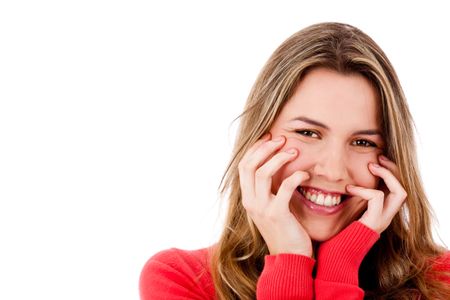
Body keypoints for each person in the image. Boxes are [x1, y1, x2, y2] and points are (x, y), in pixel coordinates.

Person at [139, 22, 450, 299]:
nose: (332, 170)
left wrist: (340, 264)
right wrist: (290, 261)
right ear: (260, 138)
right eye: (308, 133)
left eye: (362, 142)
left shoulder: (442, 281)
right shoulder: (182, 280)